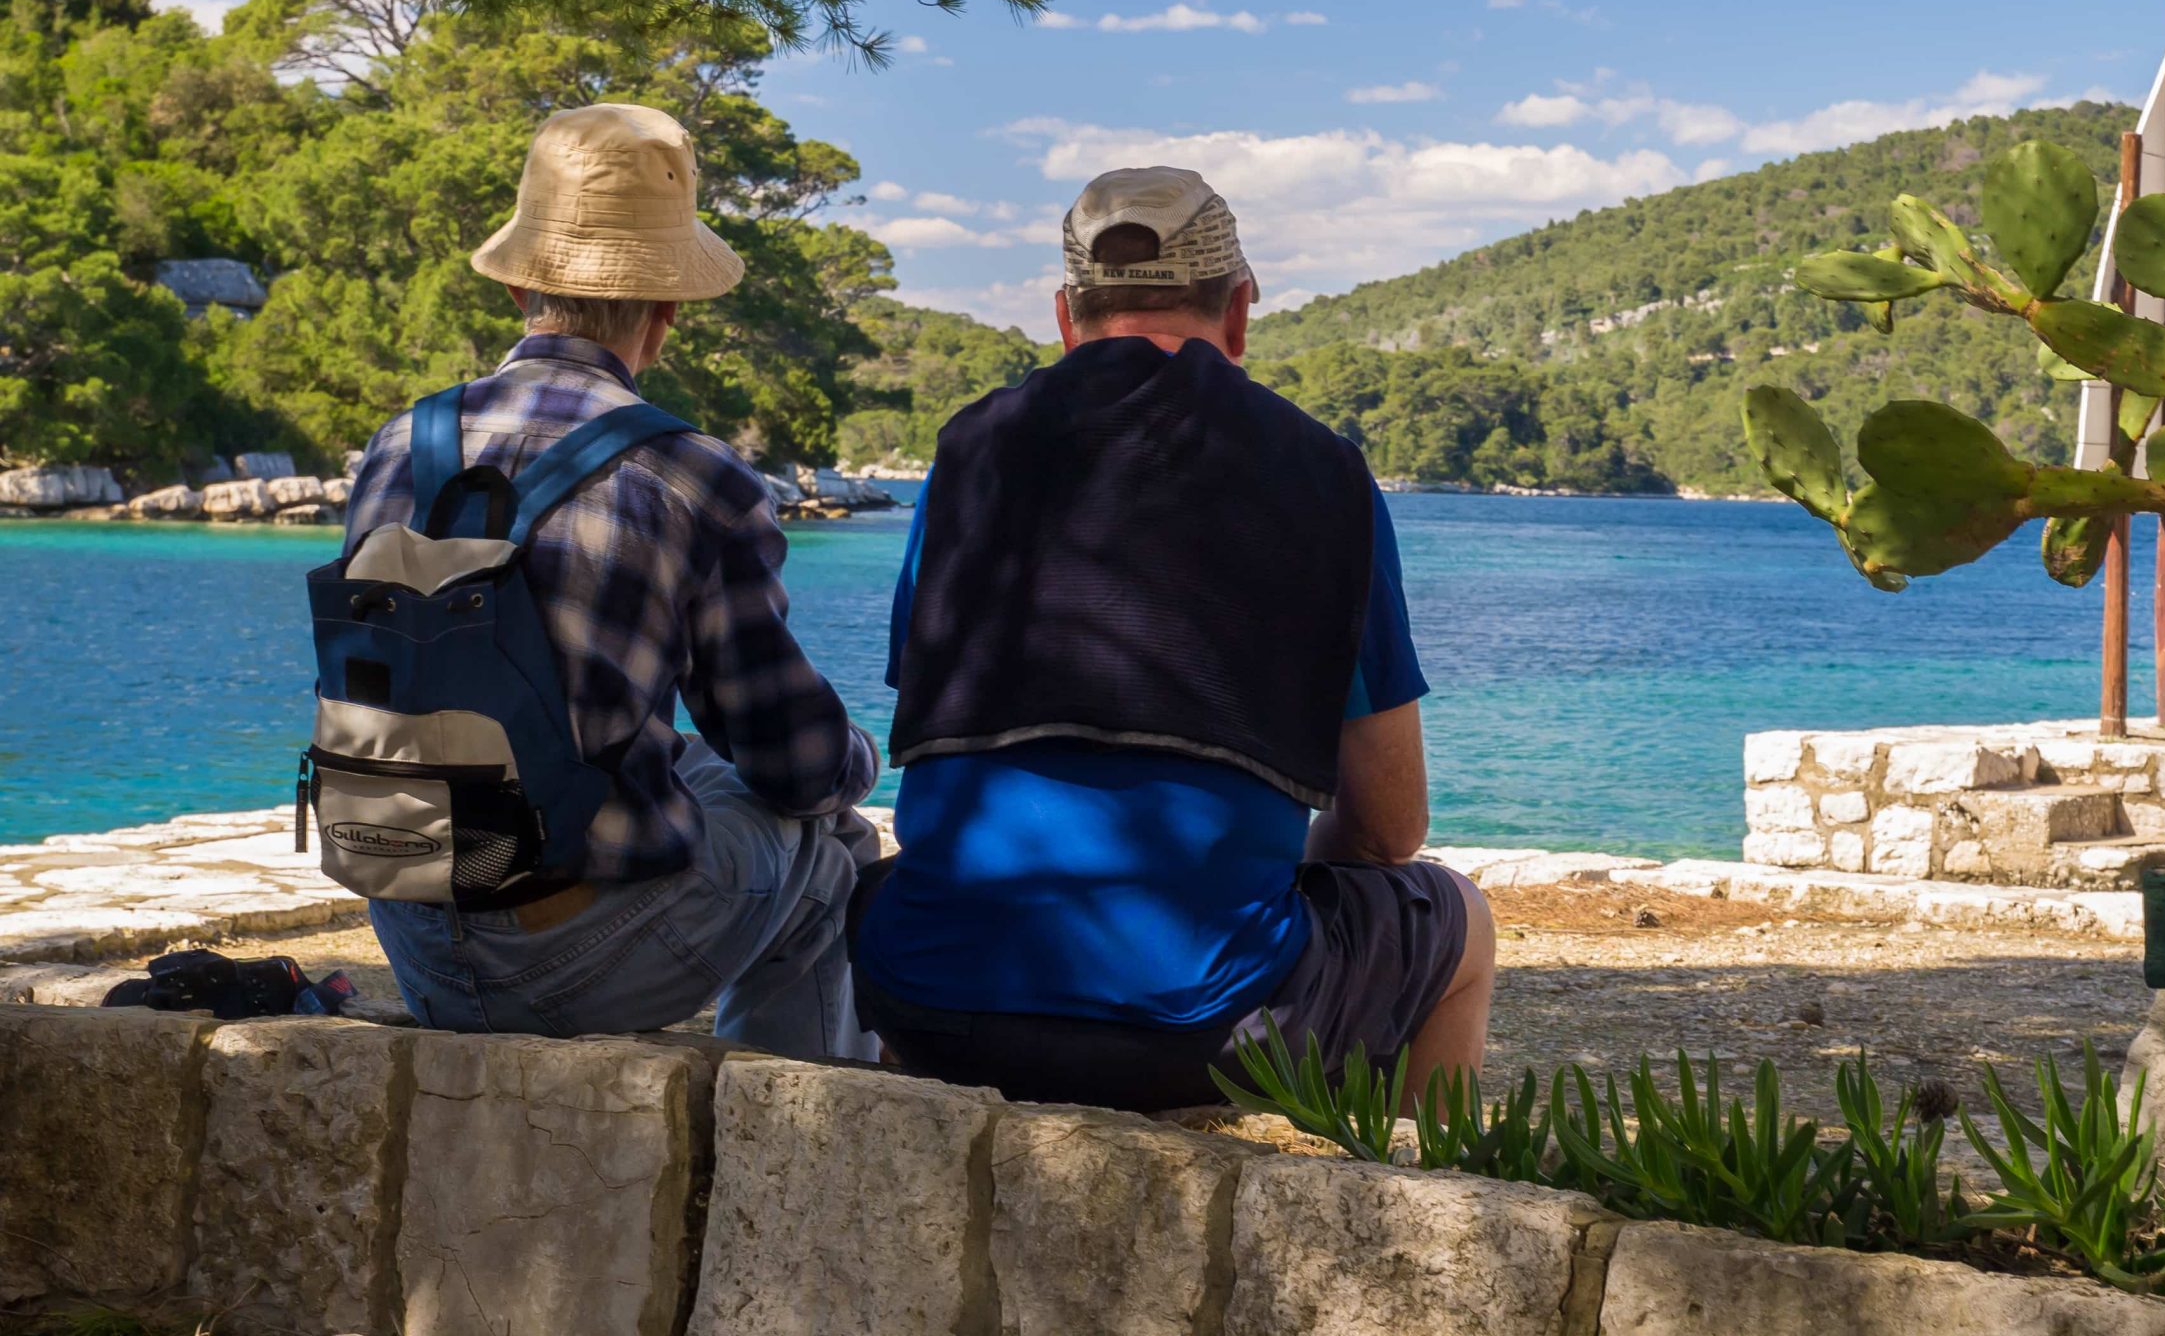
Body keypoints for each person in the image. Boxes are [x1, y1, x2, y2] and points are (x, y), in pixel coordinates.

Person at [854, 165, 1493, 1110]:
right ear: (1239, 313)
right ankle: (1427, 1212)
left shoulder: (966, 452)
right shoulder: (1322, 474)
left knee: (904, 898)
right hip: (1206, 1032)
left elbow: (936, 747)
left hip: (925, 1006)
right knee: (1459, 919)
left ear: (1066, 316)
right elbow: (1391, 828)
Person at [343, 102, 876, 1057]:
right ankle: (781, 1124)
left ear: (519, 290)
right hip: (562, 958)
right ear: (668, 312)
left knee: (701, 767)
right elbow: (793, 760)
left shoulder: (399, 444)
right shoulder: (691, 476)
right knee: (822, 844)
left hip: (413, 925)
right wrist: (856, 767)